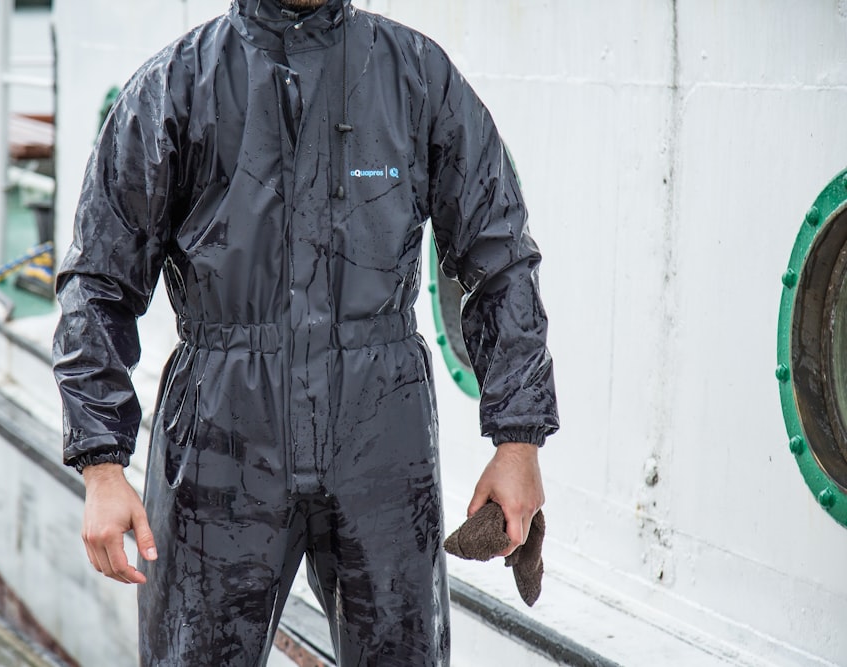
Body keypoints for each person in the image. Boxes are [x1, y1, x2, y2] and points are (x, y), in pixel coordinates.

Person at [52, 0, 559, 664]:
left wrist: (518, 442)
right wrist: (101, 463)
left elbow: (501, 259)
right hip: (220, 437)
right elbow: (97, 281)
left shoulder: (416, 75)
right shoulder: (175, 86)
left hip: (382, 436)